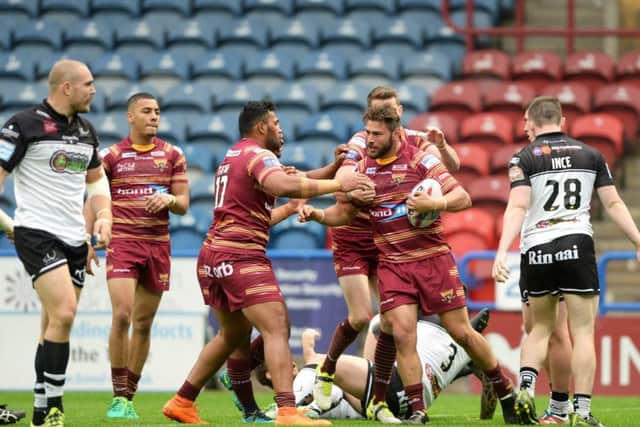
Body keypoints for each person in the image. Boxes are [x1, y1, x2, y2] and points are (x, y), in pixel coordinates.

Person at [300, 105, 517, 425]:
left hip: (433, 260)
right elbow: (344, 214)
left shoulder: (420, 160)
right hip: (393, 265)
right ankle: (418, 410)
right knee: (402, 331)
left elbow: (463, 197)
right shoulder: (362, 169)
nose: (369, 140)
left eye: (376, 134)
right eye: (367, 133)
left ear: (395, 133)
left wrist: (436, 203)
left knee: (461, 331)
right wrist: (318, 214)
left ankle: (505, 390)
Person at [161, 100, 373, 425]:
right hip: (240, 254)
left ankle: (183, 401)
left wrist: (329, 173)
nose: (281, 130)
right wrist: (340, 184)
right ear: (261, 127)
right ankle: (287, 411)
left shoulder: (237, 155)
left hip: (213, 254)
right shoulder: (260, 156)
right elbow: (283, 185)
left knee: (230, 337)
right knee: (276, 325)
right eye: (276, 123)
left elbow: (280, 190)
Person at [492, 95, 640, 427]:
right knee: (583, 332)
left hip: (538, 248)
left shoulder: (523, 157)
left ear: (531, 122)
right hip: (577, 244)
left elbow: (517, 207)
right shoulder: (591, 155)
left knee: (540, 328)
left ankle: (527, 388)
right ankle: (582, 412)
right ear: (562, 122)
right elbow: (613, 203)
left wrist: (502, 250)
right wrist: (637, 239)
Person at [313, 86, 460, 412]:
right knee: (362, 315)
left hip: (386, 241)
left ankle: (378, 400)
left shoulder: (417, 140)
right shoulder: (359, 141)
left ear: (399, 113)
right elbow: (348, 173)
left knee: (393, 323)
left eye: (390, 111)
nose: (383, 119)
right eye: (377, 113)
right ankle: (327, 369)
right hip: (352, 238)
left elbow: (452, 170)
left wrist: (443, 147)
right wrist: (353, 188)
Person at [0, 59, 112, 427]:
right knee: (64, 312)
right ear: (66, 87)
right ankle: (54, 409)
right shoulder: (23, 124)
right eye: (88, 84)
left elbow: (96, 183)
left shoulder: (86, 131)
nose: (94, 90)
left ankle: (36, 409)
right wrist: (8, 224)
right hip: (35, 232)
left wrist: (103, 218)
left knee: (53, 325)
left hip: (75, 239)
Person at [98, 92, 189, 420]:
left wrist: (168, 201)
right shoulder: (110, 156)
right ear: (130, 117)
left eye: (157, 112)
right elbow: (94, 197)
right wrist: (92, 230)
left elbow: (183, 203)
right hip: (123, 243)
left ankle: (129, 397)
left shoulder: (173, 155)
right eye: (146, 111)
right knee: (122, 315)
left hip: (157, 245)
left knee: (144, 323)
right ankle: (117, 395)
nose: (154, 116)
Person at [243, 309, 496, 422]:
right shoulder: (296, 386)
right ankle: (460, 342)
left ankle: (279, 411)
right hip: (391, 397)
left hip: (388, 396)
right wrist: (311, 355)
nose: (286, 358)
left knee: (376, 326)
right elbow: (286, 411)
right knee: (325, 367)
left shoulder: (299, 384)